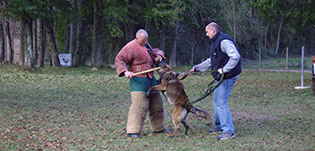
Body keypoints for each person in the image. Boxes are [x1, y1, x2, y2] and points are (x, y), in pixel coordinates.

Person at [190, 22, 241, 140]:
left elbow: (235, 56)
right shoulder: (215, 43)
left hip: (228, 77)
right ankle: (219, 126)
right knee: (216, 100)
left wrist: (224, 69)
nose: (206, 34)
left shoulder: (224, 41)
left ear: (213, 31)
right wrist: (197, 67)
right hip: (221, 77)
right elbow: (211, 61)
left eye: (207, 32)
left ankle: (228, 132)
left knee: (221, 103)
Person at [115, 29, 170, 138]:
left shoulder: (146, 45)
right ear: (137, 38)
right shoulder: (130, 47)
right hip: (138, 80)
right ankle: (133, 131)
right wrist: (126, 71)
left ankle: (159, 128)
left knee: (157, 104)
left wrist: (159, 55)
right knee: (139, 106)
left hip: (151, 79)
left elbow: (154, 52)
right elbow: (119, 59)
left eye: (146, 40)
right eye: (143, 40)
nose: (145, 42)